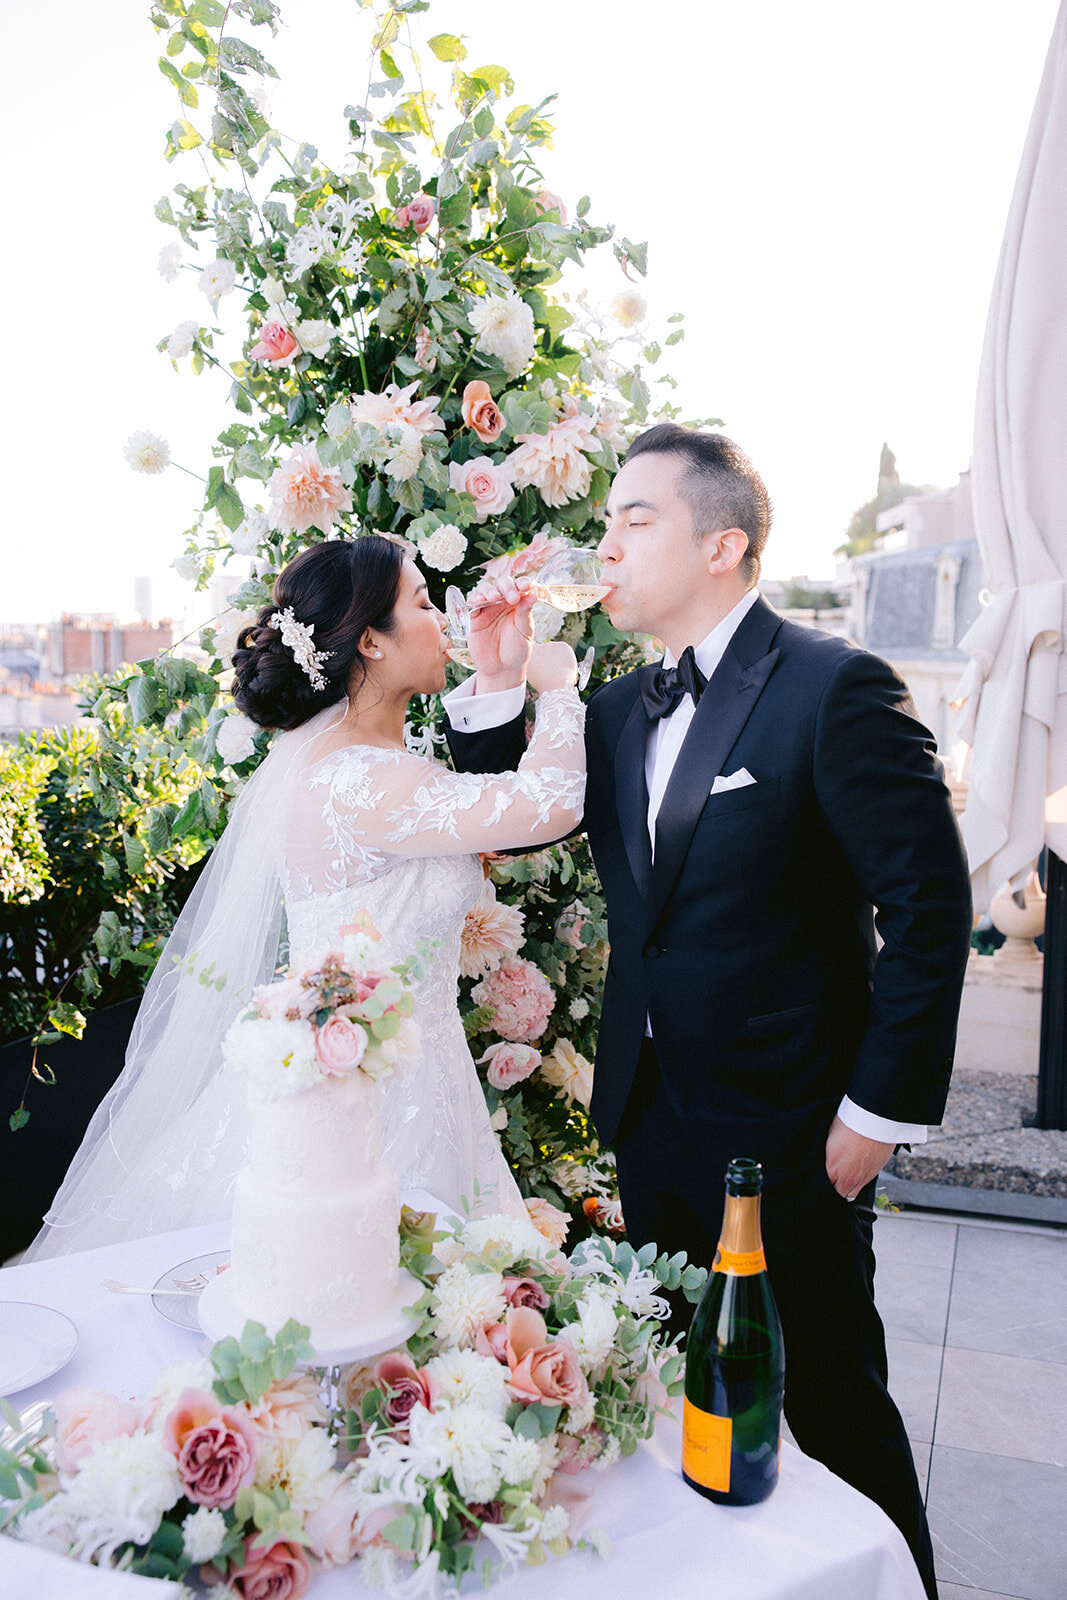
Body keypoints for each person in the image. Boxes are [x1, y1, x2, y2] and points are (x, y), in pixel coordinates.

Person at [444, 425, 973, 1599]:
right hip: (651, 1126)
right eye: (607, 519)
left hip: (794, 1129)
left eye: (636, 518)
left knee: (831, 1401)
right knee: (696, 1406)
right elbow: (491, 823)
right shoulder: (620, 709)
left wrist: (875, 1113)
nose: (607, 542)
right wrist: (491, 679)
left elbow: (929, 909)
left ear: (723, 542)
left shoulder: (835, 689)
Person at [24, 536, 583, 1260]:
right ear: (372, 643)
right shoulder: (363, 780)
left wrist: (500, 674)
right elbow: (547, 805)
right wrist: (558, 686)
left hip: (397, 1070)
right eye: (419, 602)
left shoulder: (357, 764)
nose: (441, 619)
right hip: (373, 1101)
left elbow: (485, 820)